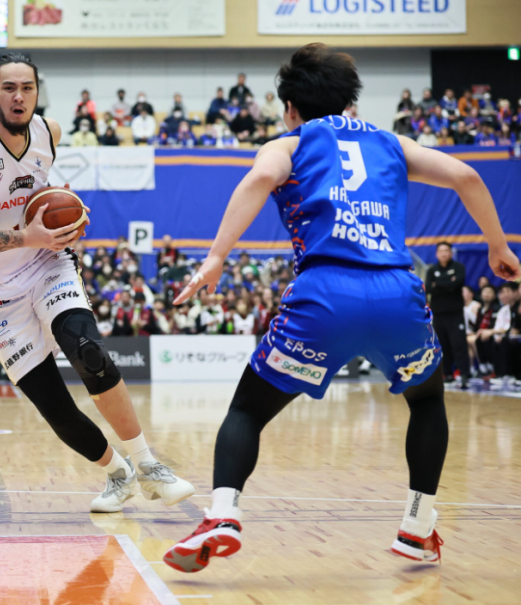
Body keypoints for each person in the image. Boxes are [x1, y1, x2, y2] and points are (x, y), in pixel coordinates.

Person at [163, 43, 520, 574]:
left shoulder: (290, 142)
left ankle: (223, 514)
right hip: (397, 294)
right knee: (427, 401)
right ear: (351, 100)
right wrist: (497, 245)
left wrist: (216, 257)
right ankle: (417, 526)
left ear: (290, 107)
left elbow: (259, 180)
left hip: (324, 296)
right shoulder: (391, 142)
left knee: (248, 412)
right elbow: (467, 176)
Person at [0, 52, 195, 514]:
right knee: (54, 407)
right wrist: (23, 236)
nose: (18, 97)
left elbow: (40, 197)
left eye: (27, 88)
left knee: (88, 351)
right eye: (9, 88)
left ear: (37, 92)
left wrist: (67, 216)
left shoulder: (48, 132)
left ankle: (149, 466)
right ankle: (119, 474)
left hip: (46, 262)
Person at [426, 243, 472, 387]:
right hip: (438, 314)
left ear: (451, 253)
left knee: (458, 344)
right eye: (441, 251)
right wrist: (448, 283)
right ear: (436, 254)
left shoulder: (458, 267)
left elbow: (457, 283)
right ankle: (447, 373)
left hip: (455, 313)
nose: (444, 253)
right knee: (442, 345)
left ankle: (464, 374)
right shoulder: (432, 270)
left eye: (446, 250)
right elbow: (429, 287)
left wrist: (438, 284)